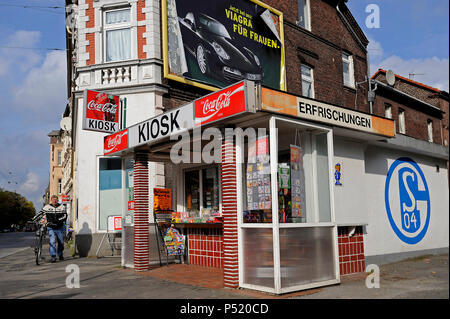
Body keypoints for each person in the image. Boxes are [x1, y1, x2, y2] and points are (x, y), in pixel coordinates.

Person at [42, 195, 68, 263]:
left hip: (60, 227)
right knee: (52, 241)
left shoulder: (62, 207)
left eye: (56, 200)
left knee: (61, 243)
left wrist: (57, 221)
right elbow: (41, 215)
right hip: (51, 228)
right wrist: (36, 220)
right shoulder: (47, 207)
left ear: (57, 200)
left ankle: (60, 254)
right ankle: (53, 256)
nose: (55, 201)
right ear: (51, 200)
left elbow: (65, 216)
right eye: (53, 200)